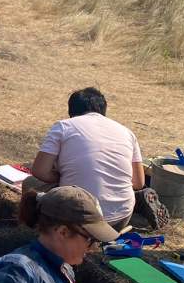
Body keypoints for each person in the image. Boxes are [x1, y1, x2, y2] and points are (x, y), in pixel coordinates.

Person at [27, 88, 144, 230]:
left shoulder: (63, 126)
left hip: (76, 218)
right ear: (103, 110)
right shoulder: (127, 132)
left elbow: (39, 171)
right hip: (120, 218)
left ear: (71, 111)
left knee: (30, 184)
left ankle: (35, 226)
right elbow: (138, 183)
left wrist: (64, 176)